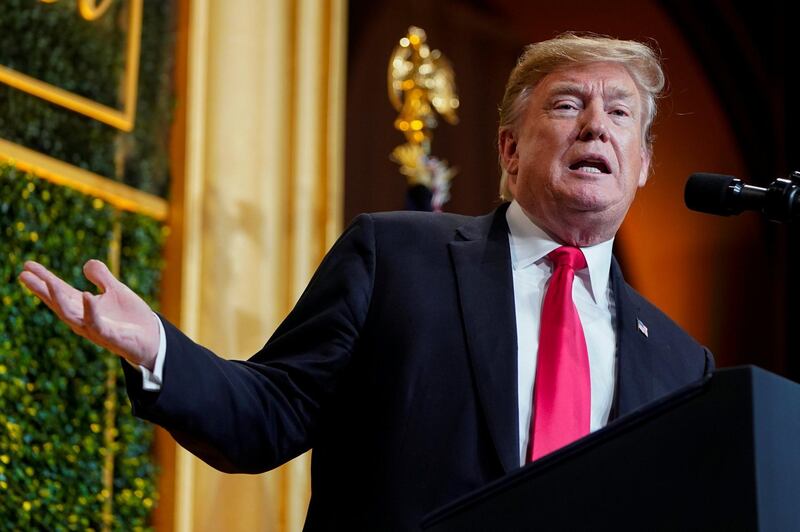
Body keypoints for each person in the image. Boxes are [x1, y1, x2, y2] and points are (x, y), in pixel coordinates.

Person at [19, 33, 713, 530]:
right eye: (567, 105)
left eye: (620, 112)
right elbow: (270, 413)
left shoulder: (684, 364)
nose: (596, 124)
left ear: (644, 161)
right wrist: (159, 351)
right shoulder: (396, 257)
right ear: (508, 147)